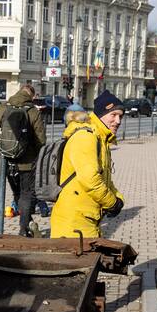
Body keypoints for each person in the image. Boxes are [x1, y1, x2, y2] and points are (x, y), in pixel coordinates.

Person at [50, 92, 124, 239]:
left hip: (86, 218)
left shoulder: (101, 139)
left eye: (120, 116)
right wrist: (112, 203)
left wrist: (118, 198)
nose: (118, 121)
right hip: (73, 222)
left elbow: (104, 178)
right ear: (100, 115)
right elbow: (90, 180)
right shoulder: (86, 138)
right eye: (113, 115)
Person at [0, 83, 46, 236]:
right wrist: (34, 156)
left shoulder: (2, 108)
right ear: (31, 96)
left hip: (7, 162)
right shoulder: (33, 111)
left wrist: (3, 151)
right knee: (27, 194)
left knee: (17, 194)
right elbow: (41, 140)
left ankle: (25, 221)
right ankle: (24, 228)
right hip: (27, 164)